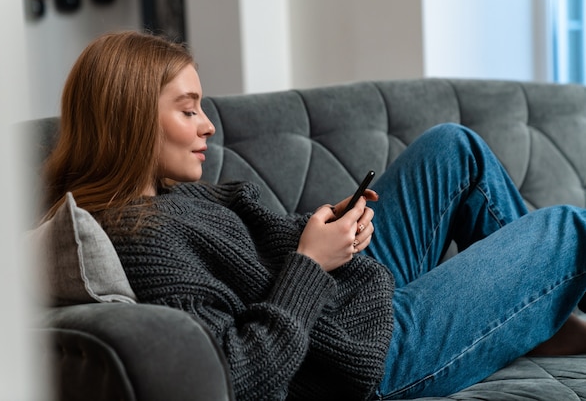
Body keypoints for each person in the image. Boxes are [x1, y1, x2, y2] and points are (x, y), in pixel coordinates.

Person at [43, 30, 586, 401]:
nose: (208, 125)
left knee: (453, 150)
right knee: (568, 229)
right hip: (362, 355)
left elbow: (256, 264)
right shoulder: (142, 241)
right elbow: (243, 372)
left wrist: (330, 228)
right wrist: (309, 260)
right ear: (131, 121)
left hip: (343, 301)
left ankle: (541, 319)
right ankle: (544, 316)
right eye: (188, 110)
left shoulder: (164, 199)